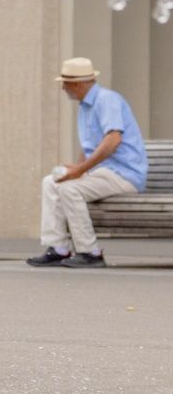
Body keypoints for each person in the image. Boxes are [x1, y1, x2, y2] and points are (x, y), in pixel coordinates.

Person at [26, 57, 148, 268]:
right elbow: (90, 145)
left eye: (66, 83)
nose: (63, 88)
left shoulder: (107, 100)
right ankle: (58, 248)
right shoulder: (86, 106)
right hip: (104, 173)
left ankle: (90, 252)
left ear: (78, 84)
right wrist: (78, 169)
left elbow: (113, 140)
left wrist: (80, 170)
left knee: (70, 189)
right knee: (50, 182)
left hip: (124, 175)